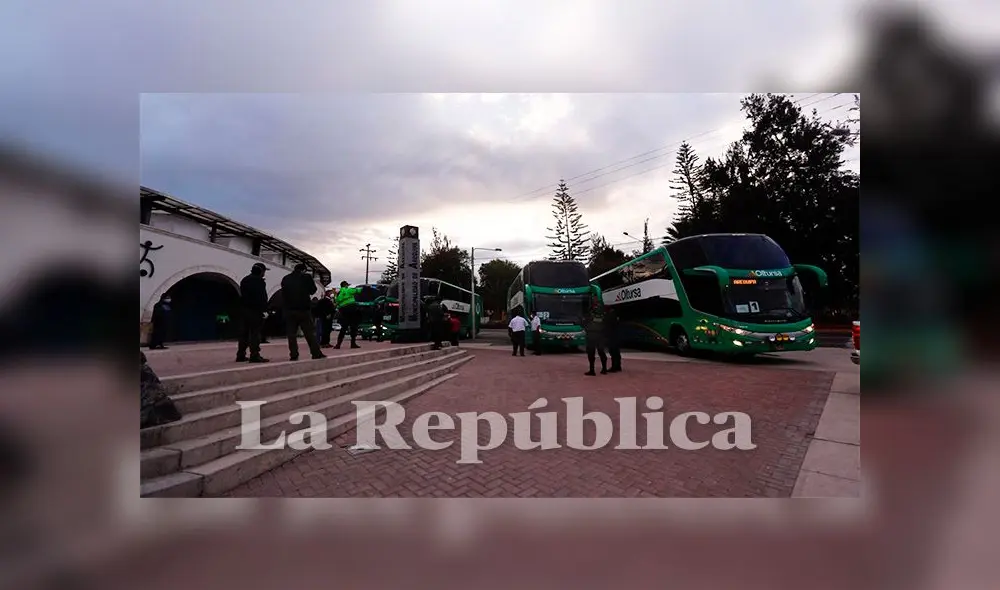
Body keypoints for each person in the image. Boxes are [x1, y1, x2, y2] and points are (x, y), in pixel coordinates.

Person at [280, 264, 326, 361]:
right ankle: (316, 353)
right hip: (303, 309)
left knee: (291, 334)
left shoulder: (286, 278)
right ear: (303, 270)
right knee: (309, 332)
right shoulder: (306, 277)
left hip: (289, 310)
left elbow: (283, 292)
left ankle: (293, 354)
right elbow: (313, 290)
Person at [236, 262, 270, 363]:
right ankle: (254, 355)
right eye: (264, 271)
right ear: (261, 271)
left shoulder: (245, 280)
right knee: (255, 333)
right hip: (255, 311)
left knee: (244, 334)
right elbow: (262, 297)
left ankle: (240, 355)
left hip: (244, 310)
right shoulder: (259, 281)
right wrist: (265, 310)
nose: (264, 274)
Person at [334, 281, 363, 349]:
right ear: (346, 285)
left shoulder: (338, 294)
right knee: (353, 327)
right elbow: (358, 290)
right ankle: (353, 344)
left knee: (343, 328)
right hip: (352, 309)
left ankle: (338, 344)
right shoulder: (348, 290)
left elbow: (337, 303)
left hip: (343, 311)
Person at [583, 297, 608, 376]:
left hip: (592, 334)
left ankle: (592, 370)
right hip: (600, 334)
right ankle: (604, 369)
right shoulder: (603, 310)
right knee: (601, 351)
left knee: (591, 353)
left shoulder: (591, 310)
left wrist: (585, 326)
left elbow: (585, 321)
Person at [604, 307, 622, 373]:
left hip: (611, 336)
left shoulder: (609, 315)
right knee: (616, 351)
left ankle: (614, 367)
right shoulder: (615, 314)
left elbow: (607, 326)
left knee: (613, 351)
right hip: (616, 336)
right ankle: (618, 366)